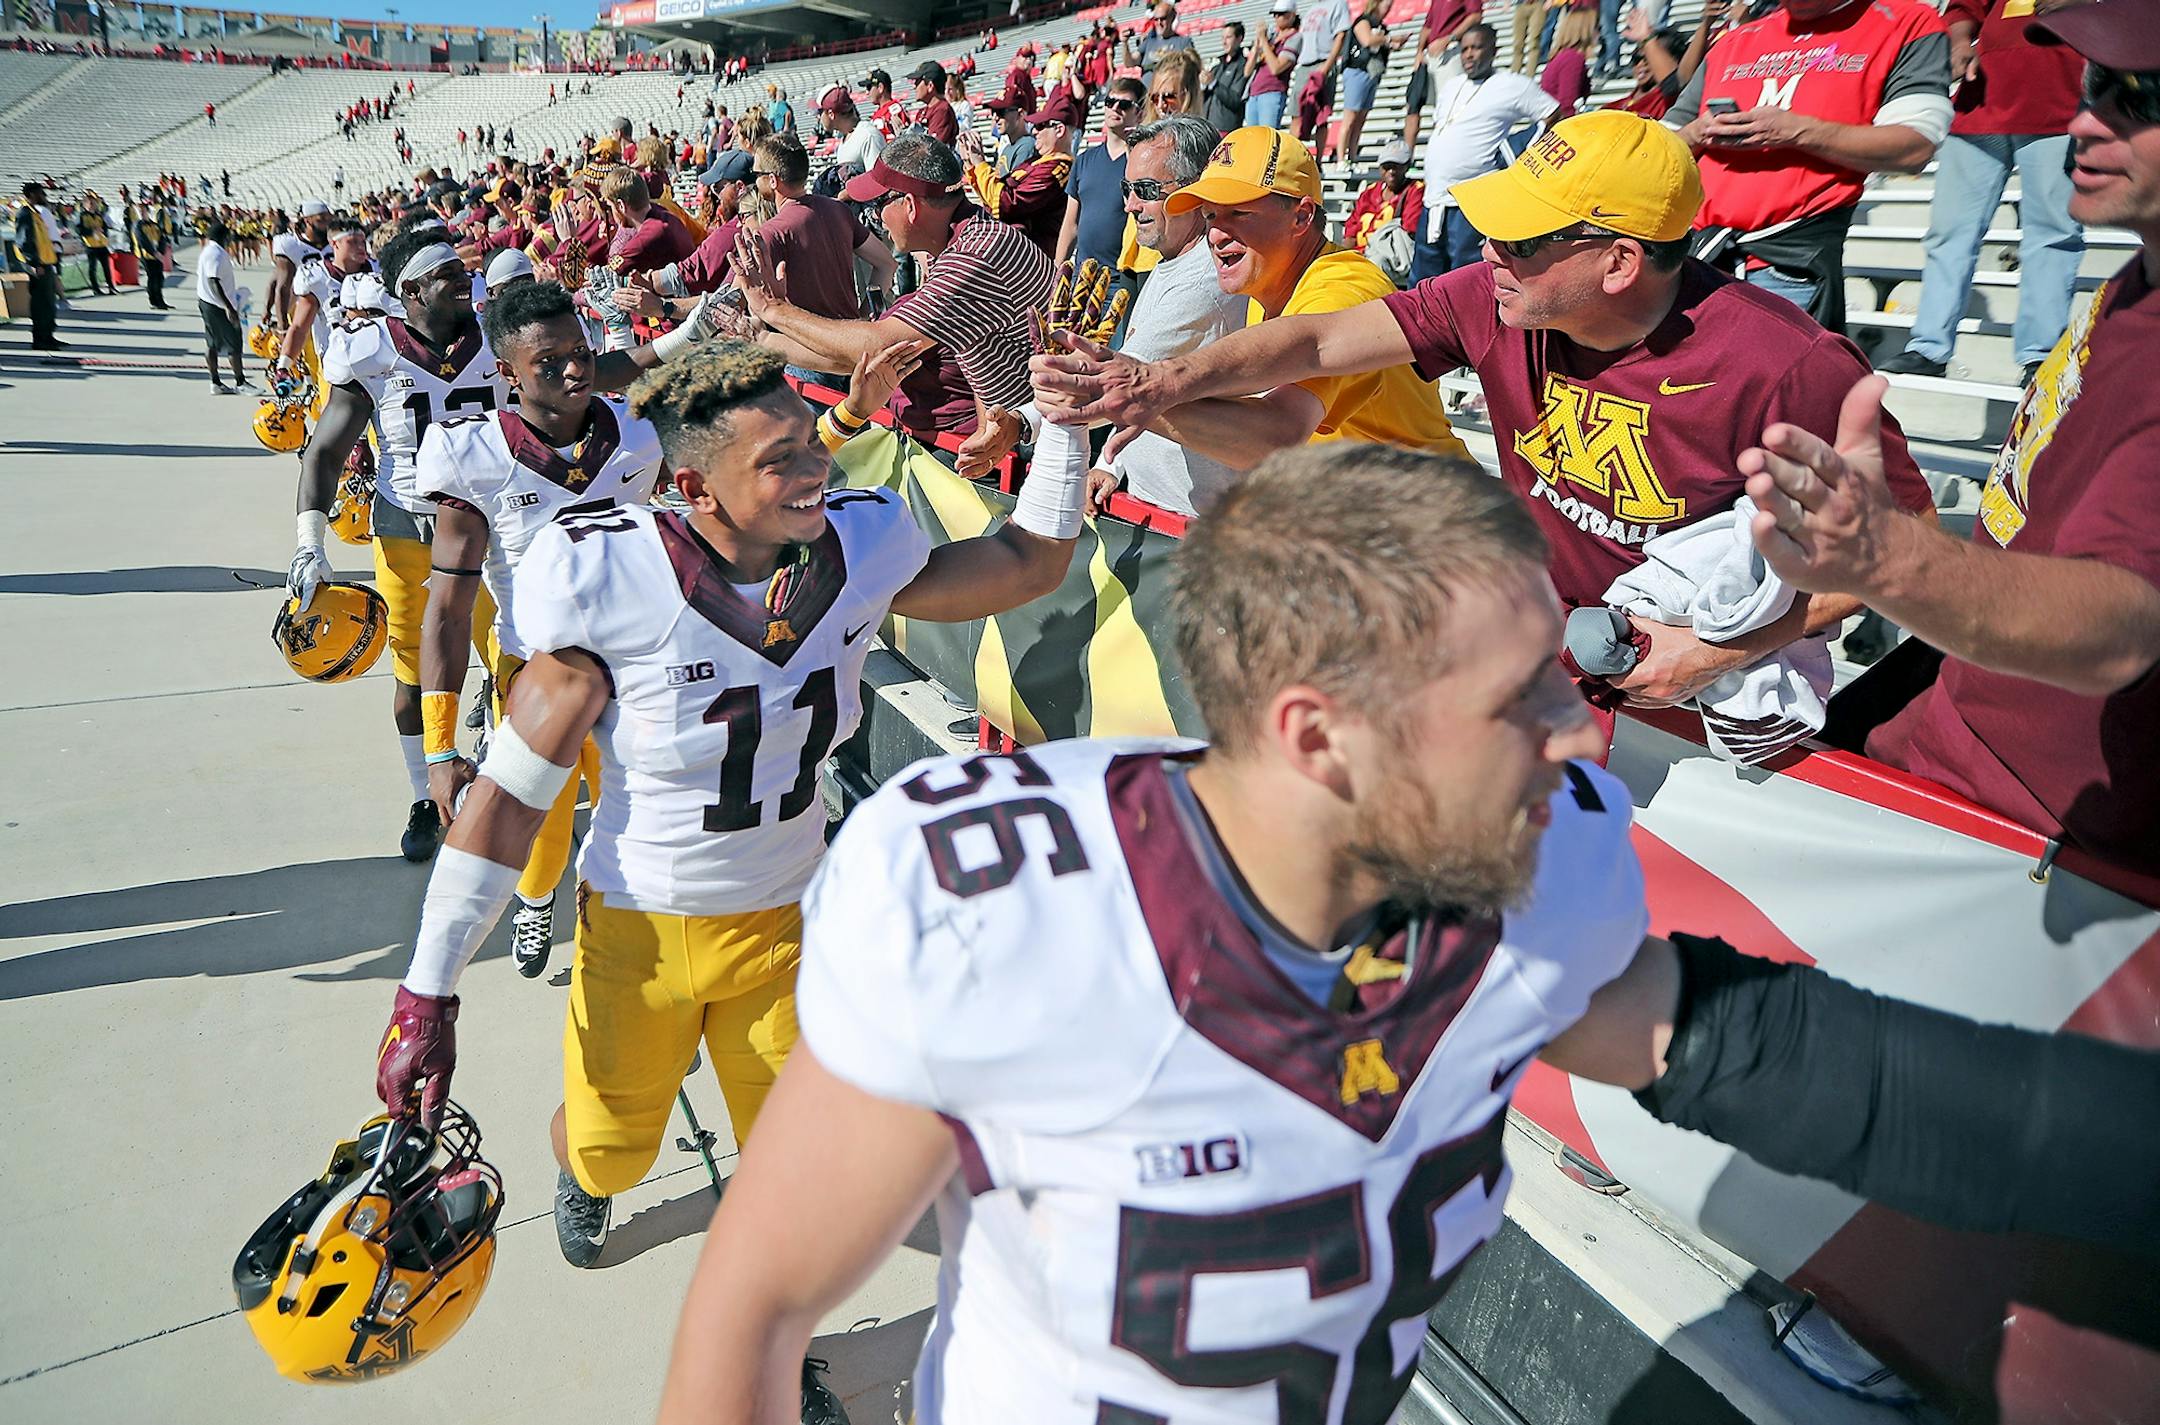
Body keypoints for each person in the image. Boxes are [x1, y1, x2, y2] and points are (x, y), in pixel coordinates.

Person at [654, 441, 2160, 1425]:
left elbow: (1794, 1061)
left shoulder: (1523, 874)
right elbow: (759, 1307)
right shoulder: (995, 900)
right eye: (1523, 698)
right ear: (1323, 740)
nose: (1586, 735)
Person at [370, 336, 1085, 1305]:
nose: (813, 470)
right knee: (613, 1150)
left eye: (809, 444)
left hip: (788, 921)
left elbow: (1025, 564)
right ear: (696, 488)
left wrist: (1070, 427)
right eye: (778, 459)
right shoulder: (606, 580)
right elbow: (504, 805)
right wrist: (428, 993)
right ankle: (584, 1172)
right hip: (641, 929)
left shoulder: (857, 548)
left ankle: (782, 1358)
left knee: (804, 1171)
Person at [1037, 113, 1937, 710]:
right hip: (1545, 646)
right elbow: (1317, 344)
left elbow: (1908, 557)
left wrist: (1711, 650)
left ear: (1619, 263)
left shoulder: (1788, 367)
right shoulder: (1491, 295)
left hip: (1701, 691)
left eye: (1522, 236)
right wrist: (1157, 385)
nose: (1489, 250)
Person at [1742, 0, 2160, 876]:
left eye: (2139, 98)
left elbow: (2124, 624)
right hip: (1949, 729)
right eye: (2093, 86)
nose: (2084, 121)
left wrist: (1884, 558)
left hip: (2034, 841)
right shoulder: (2138, 274)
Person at [286, 225, 722, 862]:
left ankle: (517, 764)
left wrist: (688, 336)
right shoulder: (371, 348)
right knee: (418, 667)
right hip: (413, 521)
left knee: (512, 658)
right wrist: (308, 540)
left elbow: (599, 371)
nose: (466, 281)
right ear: (409, 292)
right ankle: (428, 789)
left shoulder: (504, 334)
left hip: (509, 522)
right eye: (447, 276)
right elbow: (326, 445)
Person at [413, 281, 669, 978]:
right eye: (549, 362)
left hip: (642, 664)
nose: (576, 371)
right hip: (536, 670)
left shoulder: (641, 432)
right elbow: (448, 607)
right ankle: (535, 898)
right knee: (545, 825)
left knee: (643, 813)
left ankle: (616, 947)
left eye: (581, 353)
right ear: (506, 373)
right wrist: (439, 747)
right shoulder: (475, 455)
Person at [1064, 126, 1466, 474]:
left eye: (1239, 213)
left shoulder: (1345, 287)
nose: (1217, 235)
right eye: (1210, 216)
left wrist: (1139, 396)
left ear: (1302, 217)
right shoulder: (1268, 282)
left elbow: (1275, 435)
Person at [732, 134, 1054, 442]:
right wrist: (762, 338)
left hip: (1017, 447)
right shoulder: (976, 239)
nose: (877, 219)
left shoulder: (973, 258)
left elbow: (873, 350)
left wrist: (775, 310)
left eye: (877, 208)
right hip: (1011, 436)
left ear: (910, 206)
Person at [1668, 0, 1952, 333]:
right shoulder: (1736, 40)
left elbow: (1914, 146)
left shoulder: (1906, 21)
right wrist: (1695, 133)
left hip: (1789, 269)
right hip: (1694, 262)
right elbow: (1661, 142)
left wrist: (1796, 131)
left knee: (1768, 382)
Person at [1879, 0, 2085, 384]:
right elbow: (1962, 9)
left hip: (2060, 102)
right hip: (1980, 100)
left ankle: (2039, 354)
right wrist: (1959, 41)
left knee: (2053, 233)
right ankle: (1929, 346)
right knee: (1949, 232)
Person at [1086, 114, 1250, 516]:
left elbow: (1118, 385)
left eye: (1145, 190)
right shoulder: (1171, 262)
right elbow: (1139, 380)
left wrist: (1022, 424)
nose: (1129, 205)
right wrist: (1111, 462)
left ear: (1193, 194)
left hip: (1191, 522)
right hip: (1150, 505)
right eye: (1127, 188)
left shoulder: (1204, 280)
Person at [1413, 23, 1557, 280]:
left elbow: (1554, 116)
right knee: (1424, 280)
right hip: (1434, 199)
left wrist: (1513, 151)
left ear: (1493, 51)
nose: (1469, 54)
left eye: (1477, 47)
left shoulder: (1511, 84)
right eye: (1464, 48)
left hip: (1472, 199)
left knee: (1464, 277)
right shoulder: (1452, 85)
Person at [965, 87, 1079, 259]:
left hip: (1033, 257)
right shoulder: (1039, 160)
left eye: (1041, 126)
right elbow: (997, 191)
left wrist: (980, 163)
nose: (1034, 131)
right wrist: (971, 164)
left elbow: (1007, 203)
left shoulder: (1058, 167)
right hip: (1016, 252)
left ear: (1059, 130)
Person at [276, 216, 373, 410]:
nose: (360, 247)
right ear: (334, 243)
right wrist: (284, 365)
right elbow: (300, 327)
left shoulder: (377, 272)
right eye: (352, 242)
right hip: (335, 367)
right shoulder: (317, 277)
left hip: (375, 366)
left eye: (362, 241)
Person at [1058, 76, 1143, 272]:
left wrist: (1133, 151)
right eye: (1110, 102)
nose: (1115, 108)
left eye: (1124, 104)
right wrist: (1058, 269)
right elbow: (1071, 224)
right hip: (1081, 276)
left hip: (1121, 276)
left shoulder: (1142, 161)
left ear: (1138, 113)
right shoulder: (1084, 159)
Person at [1331, 0, 1393, 165]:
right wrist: (1387, 39)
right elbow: (1367, 40)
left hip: (1371, 72)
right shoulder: (1363, 21)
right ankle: (1341, 159)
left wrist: (1392, 42)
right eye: (1387, 4)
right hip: (1357, 71)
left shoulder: (1382, 27)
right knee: (1350, 118)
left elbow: (1382, 44)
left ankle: (1352, 157)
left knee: (1360, 120)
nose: (1389, 8)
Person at [193, 218, 250, 394]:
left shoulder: (207, 251)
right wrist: (229, 308)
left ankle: (215, 383)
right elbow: (213, 281)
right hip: (217, 304)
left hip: (208, 301)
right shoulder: (215, 253)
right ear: (223, 237)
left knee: (212, 342)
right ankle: (240, 383)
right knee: (233, 342)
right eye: (228, 237)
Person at [268, 200, 329, 361]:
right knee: (306, 359)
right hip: (301, 306)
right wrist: (282, 326)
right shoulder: (290, 244)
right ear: (307, 220)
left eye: (328, 218)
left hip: (331, 306)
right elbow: (281, 285)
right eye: (321, 219)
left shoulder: (336, 241)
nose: (327, 223)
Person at [1346, 139, 1425, 255]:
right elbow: (1350, 233)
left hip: (1389, 254)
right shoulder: (1369, 192)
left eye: (1397, 166)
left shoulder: (1414, 191)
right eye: (1387, 167)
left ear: (1407, 166)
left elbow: (1408, 231)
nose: (1391, 172)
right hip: (1360, 254)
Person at [10, 183, 64, 350]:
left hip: (46, 262)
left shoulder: (35, 213)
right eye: (41, 193)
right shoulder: (25, 214)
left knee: (48, 302)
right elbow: (24, 241)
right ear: (31, 194)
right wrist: (34, 263)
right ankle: (40, 339)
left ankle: (48, 335)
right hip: (37, 264)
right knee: (40, 303)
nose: (44, 195)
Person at [1246, 2, 1300, 130]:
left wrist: (1264, 40)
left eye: (1281, 14)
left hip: (1272, 92)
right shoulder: (1272, 38)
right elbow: (1247, 71)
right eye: (1274, 14)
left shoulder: (1295, 37)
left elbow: (1276, 68)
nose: (1276, 17)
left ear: (1292, 15)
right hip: (1254, 93)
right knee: (1253, 138)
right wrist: (1258, 43)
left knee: (1267, 137)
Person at [1125, 1, 1198, 74]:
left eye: (1163, 19)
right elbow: (1130, 63)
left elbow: (1193, 68)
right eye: (1156, 19)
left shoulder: (1183, 42)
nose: (1159, 23)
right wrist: (1125, 43)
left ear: (1172, 18)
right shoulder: (1148, 42)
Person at [1205, 22, 1250, 135]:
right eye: (1223, 38)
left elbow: (1235, 100)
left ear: (1240, 38)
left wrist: (1213, 83)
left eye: (1228, 37)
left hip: (1227, 127)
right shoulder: (1217, 65)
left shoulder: (1243, 65)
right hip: (1209, 126)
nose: (1224, 42)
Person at [909, 61, 960, 145]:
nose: (914, 86)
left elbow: (933, 148)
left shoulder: (942, 110)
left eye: (918, 82)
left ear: (930, 86)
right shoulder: (923, 111)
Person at [75, 190, 114, 296]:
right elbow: (78, 230)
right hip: (91, 245)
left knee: (107, 267)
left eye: (94, 203)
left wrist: (103, 231)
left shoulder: (99, 215)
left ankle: (111, 287)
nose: (93, 205)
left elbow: (105, 228)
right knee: (93, 268)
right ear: (85, 204)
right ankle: (95, 289)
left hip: (101, 244)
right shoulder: (82, 216)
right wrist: (92, 231)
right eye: (90, 203)